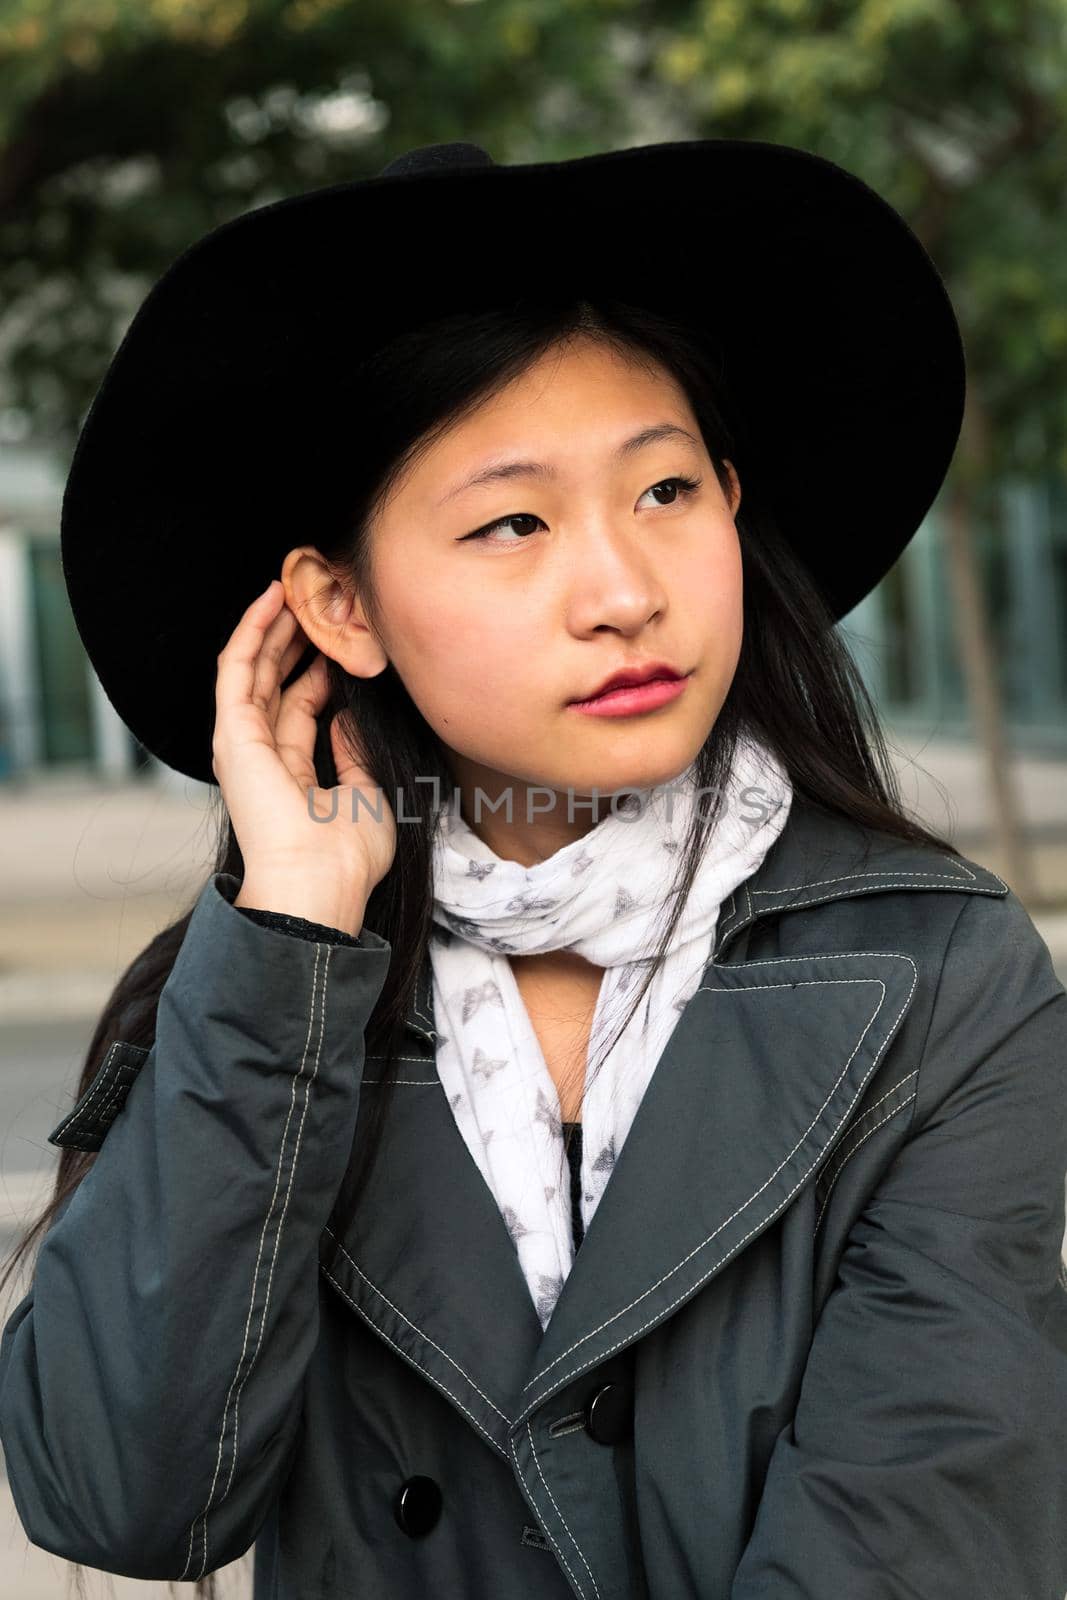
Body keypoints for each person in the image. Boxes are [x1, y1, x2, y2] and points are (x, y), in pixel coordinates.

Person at [1, 139, 1065, 1600]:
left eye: (668, 492)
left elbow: (923, 1525)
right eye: (514, 522)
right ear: (341, 606)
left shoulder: (944, 974)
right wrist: (293, 935)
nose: (626, 589)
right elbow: (123, 1499)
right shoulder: (271, 991)